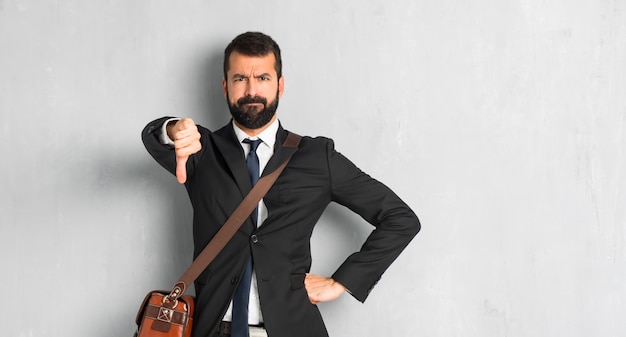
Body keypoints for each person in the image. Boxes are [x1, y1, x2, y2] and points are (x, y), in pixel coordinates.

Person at [142, 31, 420, 337]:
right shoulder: (201, 150)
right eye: (239, 79)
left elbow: (400, 219)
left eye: (262, 77)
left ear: (280, 85)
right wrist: (172, 130)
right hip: (213, 330)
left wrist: (340, 282)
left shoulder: (316, 157)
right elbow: (156, 136)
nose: (251, 90)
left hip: (293, 328)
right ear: (225, 87)